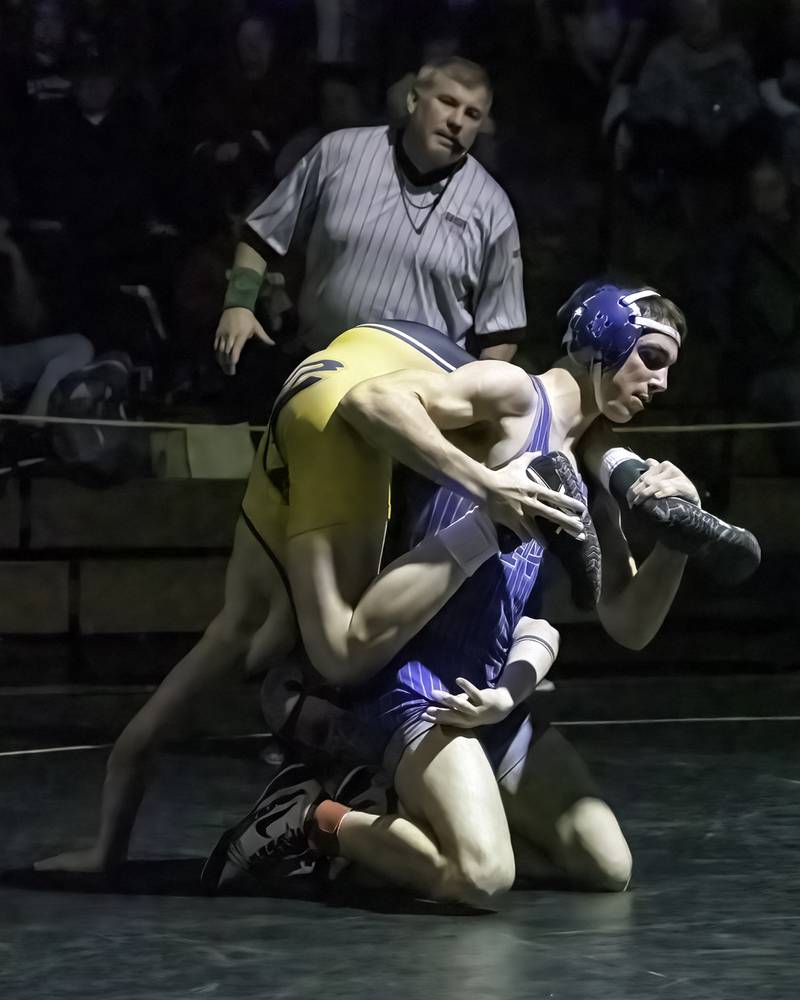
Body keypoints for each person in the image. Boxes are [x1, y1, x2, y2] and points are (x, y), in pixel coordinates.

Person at [204, 284, 760, 909]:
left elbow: (627, 624)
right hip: (414, 682)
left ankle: (392, 825)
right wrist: (484, 483)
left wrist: (675, 537)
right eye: (652, 358)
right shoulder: (516, 394)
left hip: (490, 692)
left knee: (606, 866)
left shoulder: (592, 466)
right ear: (603, 336)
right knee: (482, 878)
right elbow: (371, 400)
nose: (660, 382)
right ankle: (310, 819)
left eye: (669, 370)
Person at [214, 55, 527, 375]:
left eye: (472, 114)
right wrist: (238, 304)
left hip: (424, 394)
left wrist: (474, 398)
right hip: (320, 371)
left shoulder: (493, 208)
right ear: (413, 100)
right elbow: (260, 234)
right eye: (447, 102)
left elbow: (502, 334)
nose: (457, 121)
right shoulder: (338, 153)